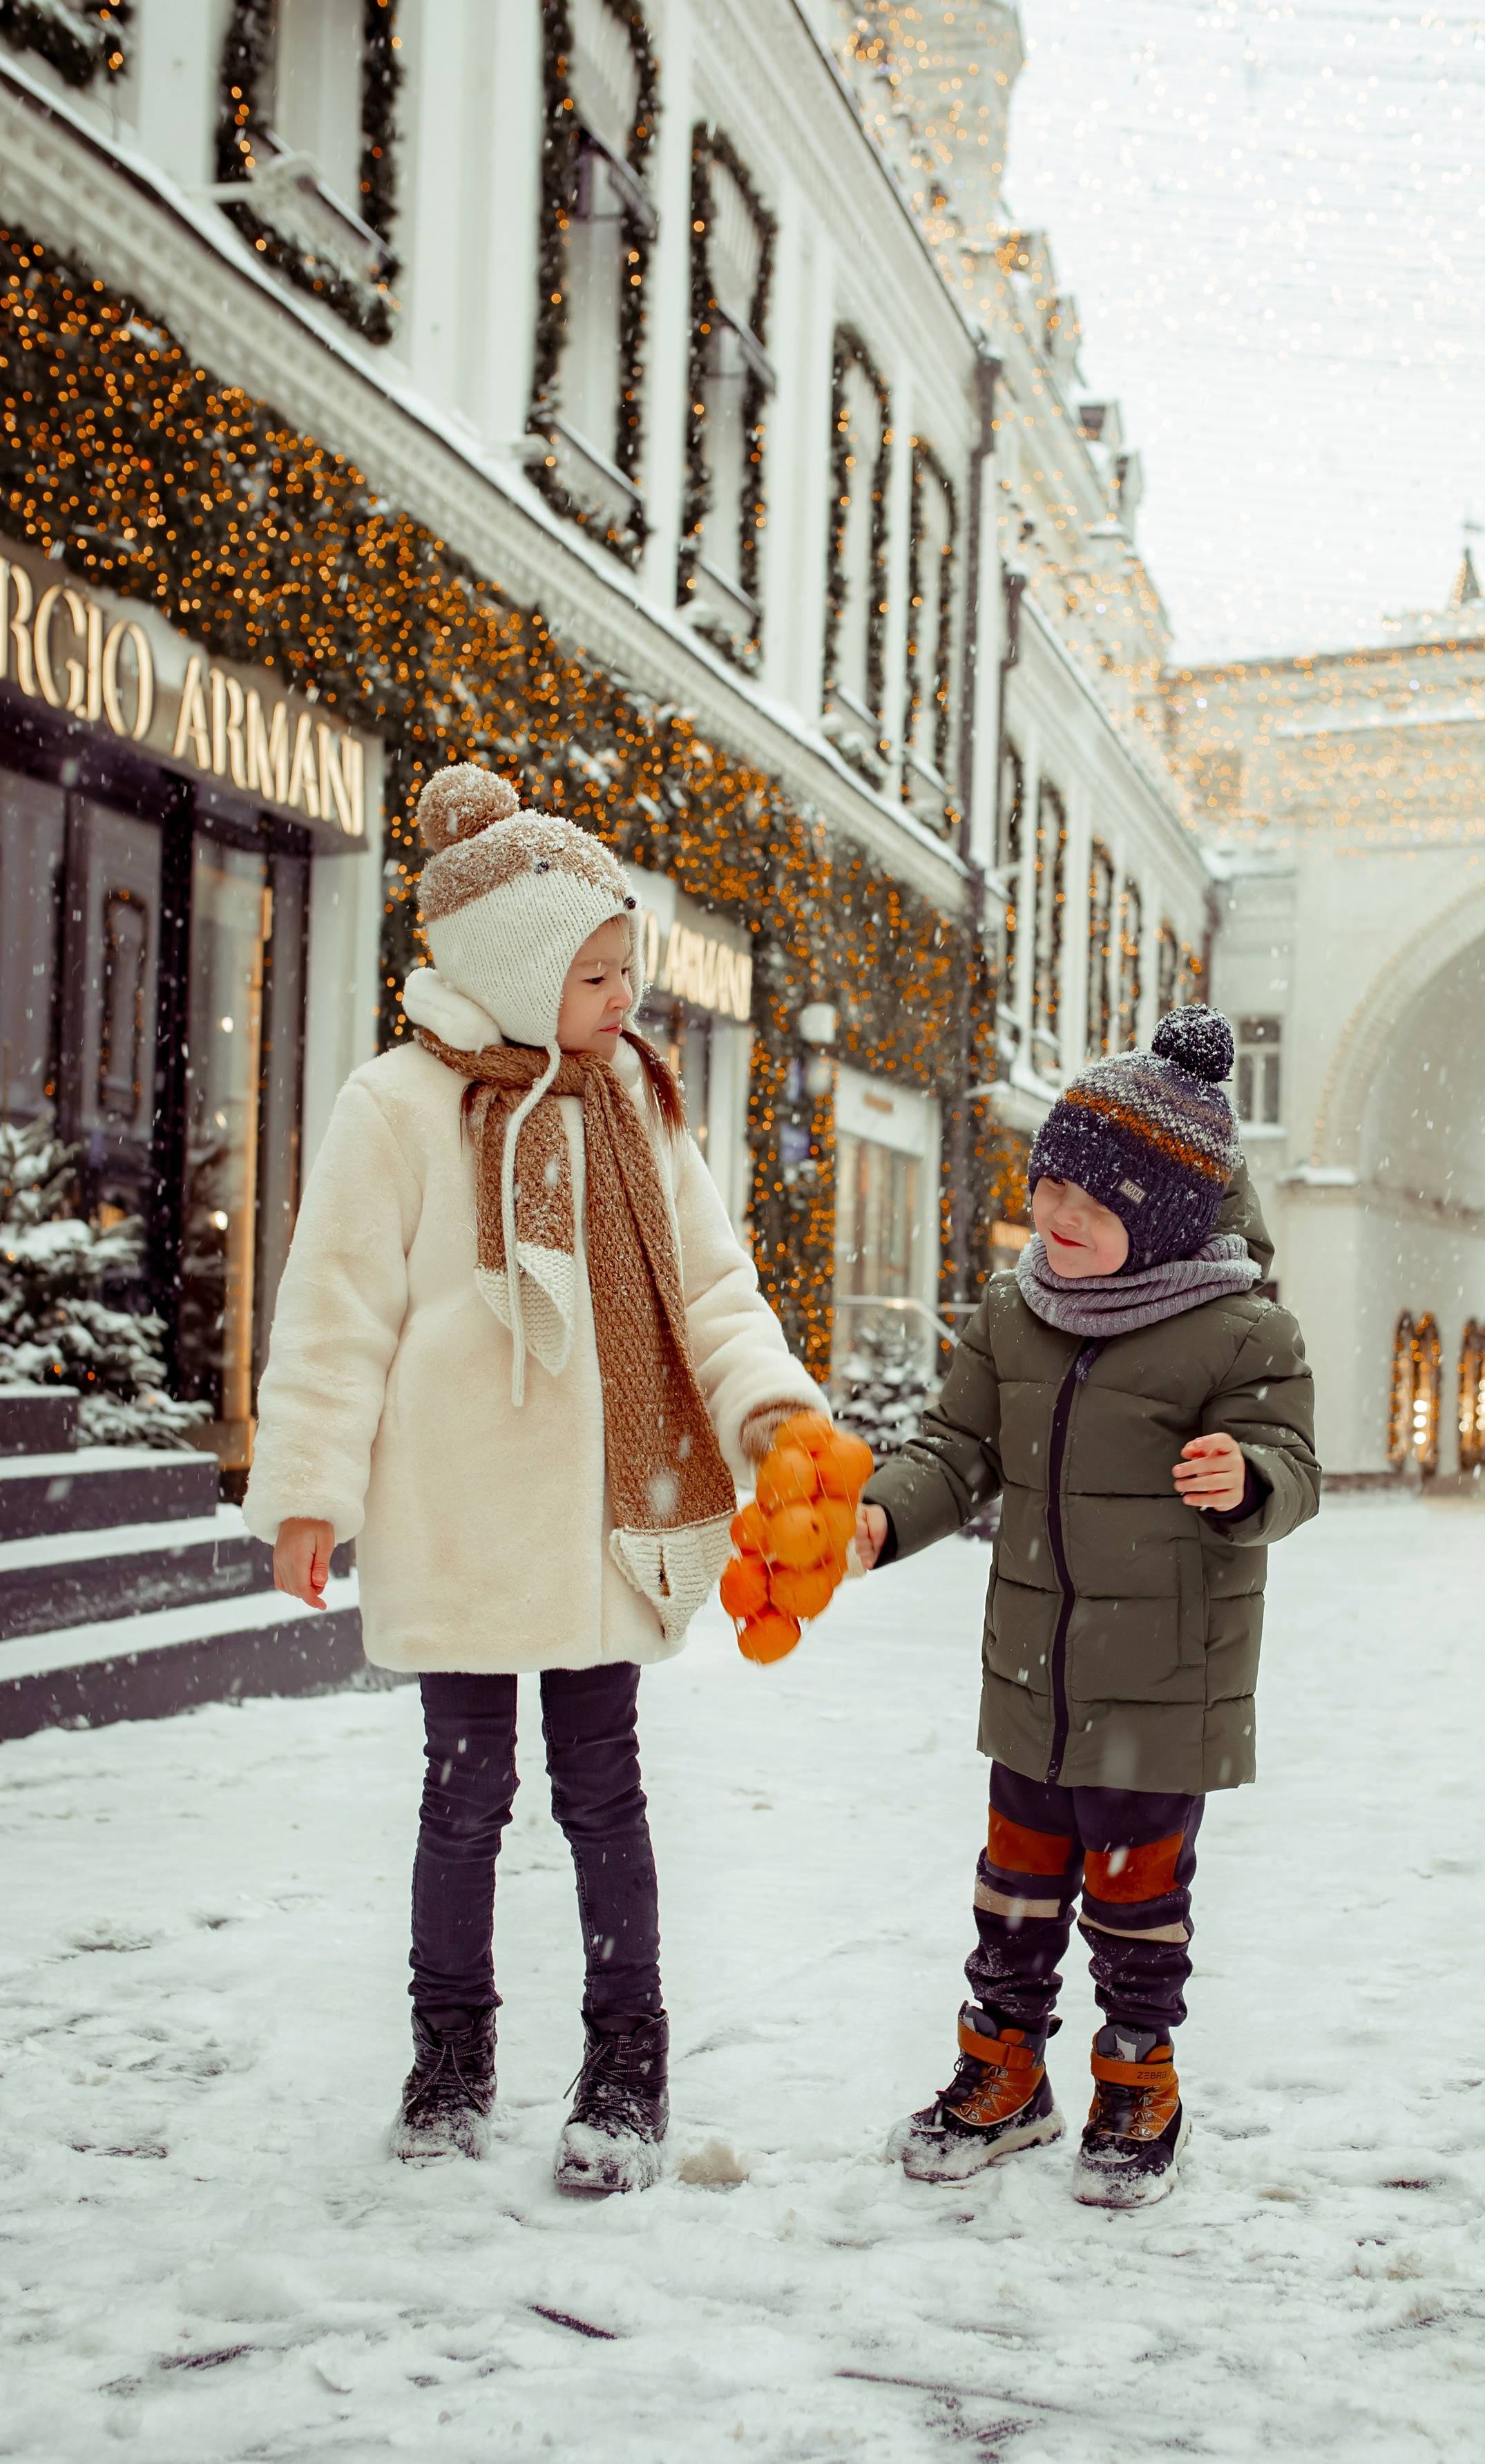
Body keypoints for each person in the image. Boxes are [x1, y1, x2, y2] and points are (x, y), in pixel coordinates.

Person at [243, 764, 823, 2192]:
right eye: (594, 973)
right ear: (509, 971)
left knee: (603, 1792)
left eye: (628, 968)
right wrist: (311, 1484)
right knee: (462, 1795)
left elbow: (713, 1290)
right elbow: (333, 1309)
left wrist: (771, 1417)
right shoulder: (393, 1108)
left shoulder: (635, 1102)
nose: (624, 997)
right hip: (458, 1524)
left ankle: (626, 2063)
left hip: (596, 1532)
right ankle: (450, 2055)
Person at [855, 1006, 1319, 2210]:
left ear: (1162, 1221)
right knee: (1012, 1887)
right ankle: (1005, 2071)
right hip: (1033, 1671)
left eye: (1092, 1204)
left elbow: (1292, 1463)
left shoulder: (1243, 1328)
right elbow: (956, 1446)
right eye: (1049, 1184)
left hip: (1160, 1679)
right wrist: (879, 1516)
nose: (1056, 1217)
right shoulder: (1018, 1311)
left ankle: (1135, 2079)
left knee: (1136, 1898)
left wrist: (1248, 1479)